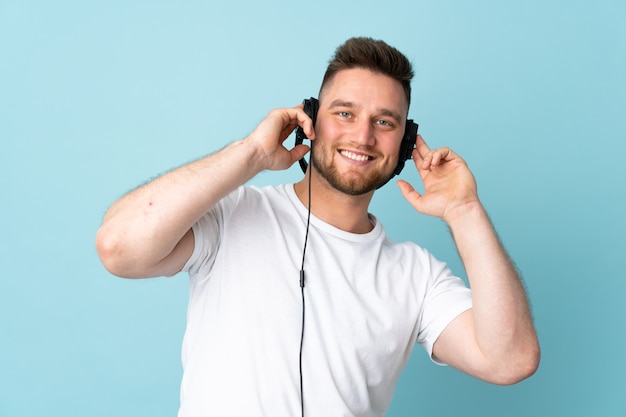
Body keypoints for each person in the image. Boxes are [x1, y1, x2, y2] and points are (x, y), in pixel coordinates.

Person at [96, 37, 540, 417]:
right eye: (344, 113)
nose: (363, 137)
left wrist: (465, 211)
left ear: (405, 143)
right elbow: (118, 248)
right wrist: (251, 154)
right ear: (310, 120)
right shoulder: (231, 216)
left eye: (384, 122)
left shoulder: (416, 276)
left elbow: (511, 360)